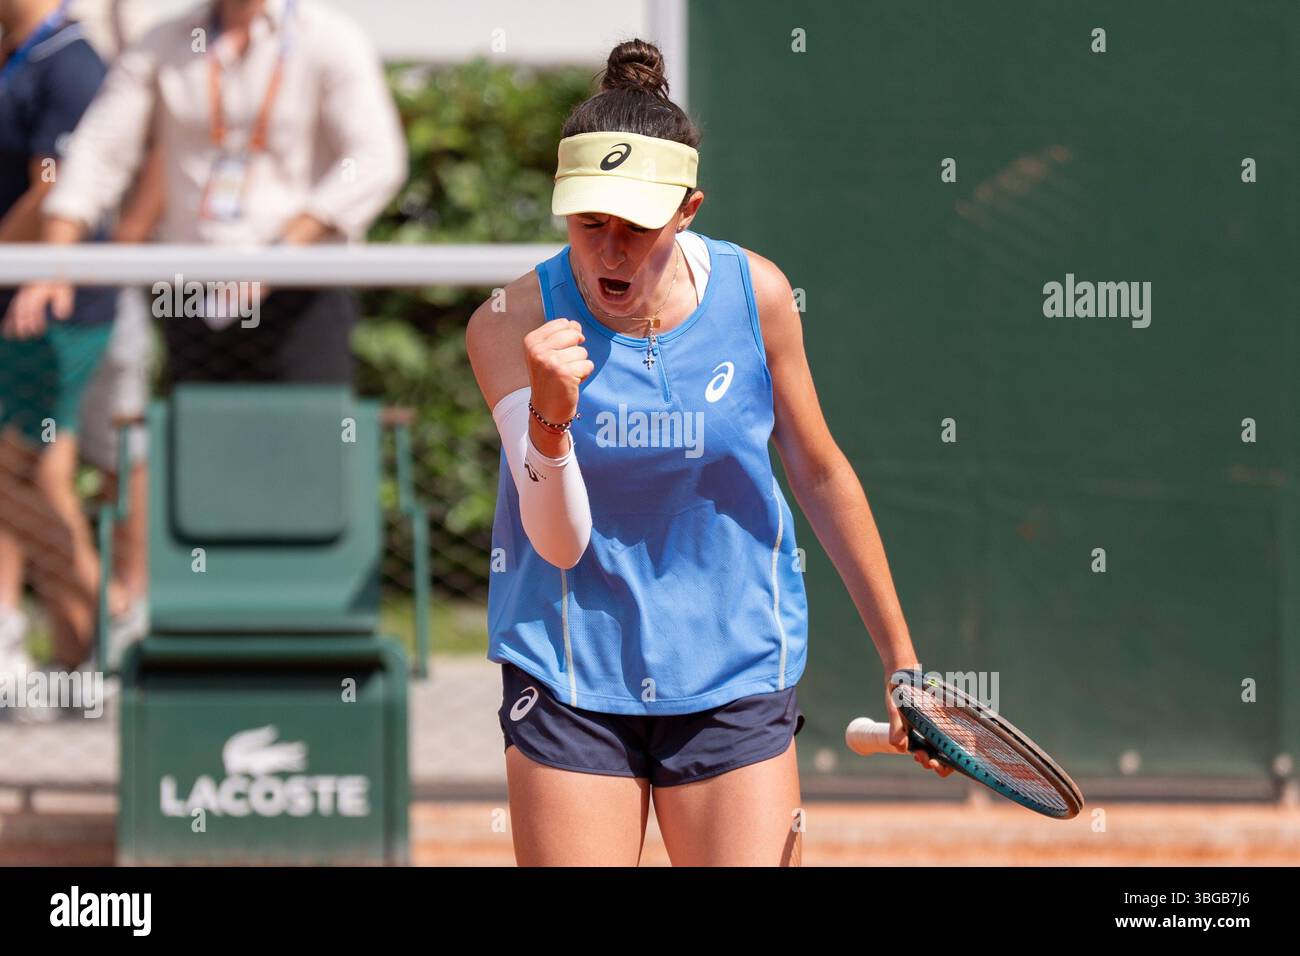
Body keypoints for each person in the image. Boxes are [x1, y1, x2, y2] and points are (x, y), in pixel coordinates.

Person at [466, 39, 953, 868]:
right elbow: (556, 540)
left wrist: (902, 661)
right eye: (590, 225)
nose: (611, 251)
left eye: (638, 228)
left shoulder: (757, 293)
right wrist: (551, 418)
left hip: (734, 667)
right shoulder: (509, 322)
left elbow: (820, 471)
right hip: (570, 669)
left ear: (689, 210)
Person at [6, 0, 407, 385]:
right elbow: (97, 153)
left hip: (301, 292)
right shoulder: (165, 42)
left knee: (304, 445)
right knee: (202, 445)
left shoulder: (328, 38)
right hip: (192, 290)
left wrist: (280, 253)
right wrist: (55, 261)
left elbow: (377, 159)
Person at [0, 0, 120, 677]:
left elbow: (53, 188)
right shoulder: (22, 53)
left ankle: (102, 625)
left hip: (51, 306)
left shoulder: (70, 63)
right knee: (40, 474)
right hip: (22, 299)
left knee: (15, 475)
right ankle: (80, 653)